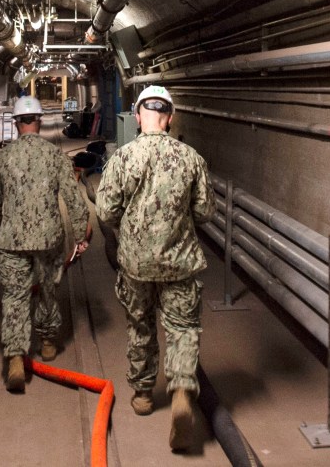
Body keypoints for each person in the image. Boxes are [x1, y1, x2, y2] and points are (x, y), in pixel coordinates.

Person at [95, 85, 215, 451]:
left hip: (135, 264)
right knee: (182, 329)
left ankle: (144, 395)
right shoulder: (191, 158)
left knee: (141, 325)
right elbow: (205, 212)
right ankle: (180, 392)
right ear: (170, 117)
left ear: (137, 116)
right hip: (180, 262)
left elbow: (105, 211)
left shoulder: (123, 158)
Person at [0, 95, 90, 392]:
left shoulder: (2, 158)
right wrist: (80, 237)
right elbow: (74, 200)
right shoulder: (54, 156)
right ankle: (47, 342)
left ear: (16, 123)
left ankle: (16, 356)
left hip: (11, 241)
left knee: (15, 298)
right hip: (49, 239)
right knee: (48, 291)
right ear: (39, 122)